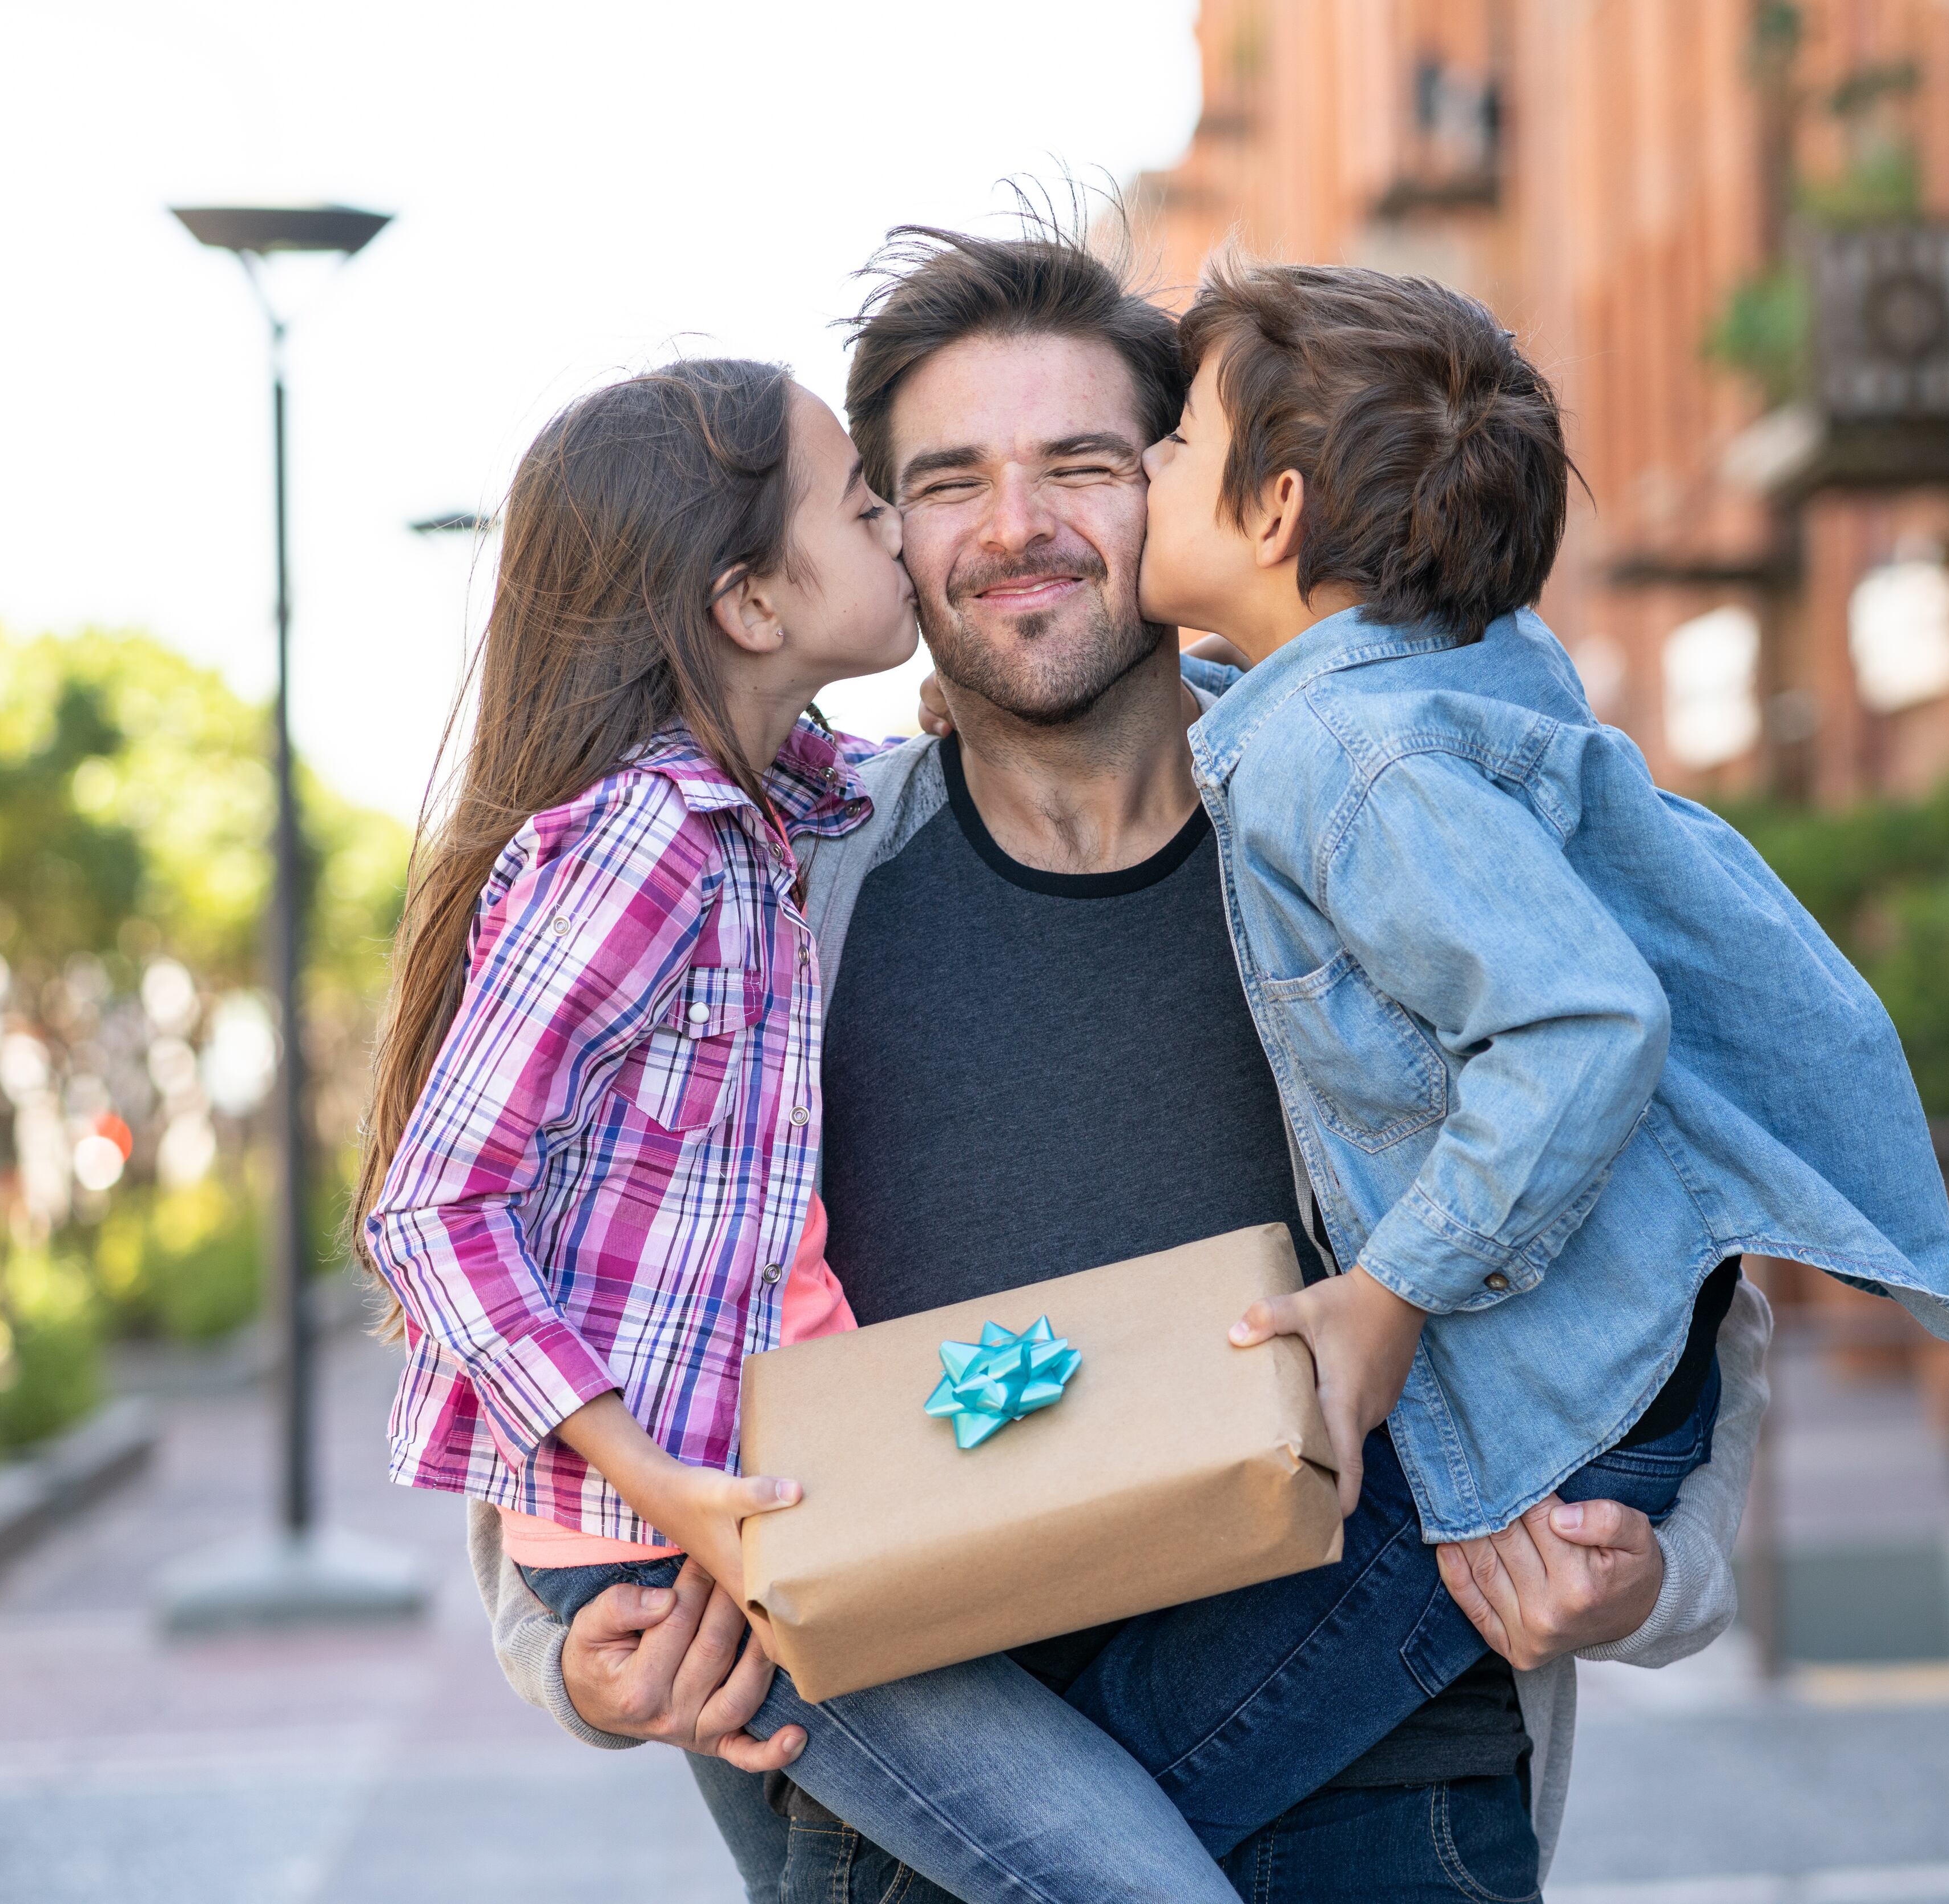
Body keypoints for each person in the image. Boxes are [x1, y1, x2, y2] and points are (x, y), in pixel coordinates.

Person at [469, 225, 1862, 1903]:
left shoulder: (1384, 825)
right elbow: (567, 1289)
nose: (1016, 526)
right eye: (947, 481)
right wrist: (580, 1664)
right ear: (880, 534)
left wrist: (1654, 1574)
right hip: (924, 1831)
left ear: (1213, 494)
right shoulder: (772, 890)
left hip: (1385, 1796)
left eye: (1085, 462)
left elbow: (1656, 1233)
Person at [355, 357, 1242, 1903]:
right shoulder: (643, 842)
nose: (901, 526)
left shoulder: (774, 804)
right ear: (752, 604)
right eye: (865, 503)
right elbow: (431, 1209)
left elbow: (941, 769)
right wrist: (666, 1493)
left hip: (785, 1484)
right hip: (700, 1529)